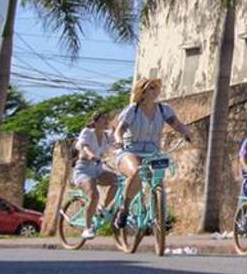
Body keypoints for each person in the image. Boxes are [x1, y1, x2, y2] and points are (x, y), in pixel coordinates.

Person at [114, 76, 198, 227]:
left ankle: (157, 215)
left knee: (157, 180)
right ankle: (124, 209)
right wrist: (119, 140)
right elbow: (119, 130)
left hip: (153, 152)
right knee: (137, 172)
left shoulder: (163, 109)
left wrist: (188, 132)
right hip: (130, 150)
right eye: (151, 88)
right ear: (142, 92)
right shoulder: (133, 110)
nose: (155, 91)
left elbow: (176, 124)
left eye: (156, 88)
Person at [70, 109, 120, 239]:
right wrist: (92, 156)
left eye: (107, 119)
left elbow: (117, 145)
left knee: (116, 181)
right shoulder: (87, 132)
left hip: (97, 168)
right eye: (103, 119)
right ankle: (87, 228)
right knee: (94, 195)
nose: (106, 121)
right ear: (96, 121)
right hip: (83, 169)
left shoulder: (107, 135)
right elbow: (84, 147)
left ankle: (102, 209)